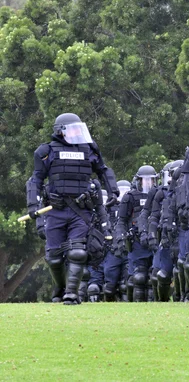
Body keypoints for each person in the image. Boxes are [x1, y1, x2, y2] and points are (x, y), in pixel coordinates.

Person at [26, 113, 119, 305]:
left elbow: (103, 170)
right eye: (73, 128)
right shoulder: (46, 151)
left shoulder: (90, 150)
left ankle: (71, 293)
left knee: (78, 252)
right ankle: (60, 287)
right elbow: (35, 180)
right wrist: (33, 206)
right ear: (60, 131)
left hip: (81, 211)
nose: (78, 132)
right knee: (53, 258)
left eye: (79, 128)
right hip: (55, 210)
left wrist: (113, 192)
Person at [115, 165, 158, 302]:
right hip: (136, 242)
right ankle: (137, 307)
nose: (147, 183)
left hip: (155, 239)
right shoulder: (130, 197)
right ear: (138, 181)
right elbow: (121, 221)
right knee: (139, 277)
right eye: (144, 180)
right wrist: (120, 238)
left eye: (150, 180)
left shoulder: (159, 194)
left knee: (154, 277)